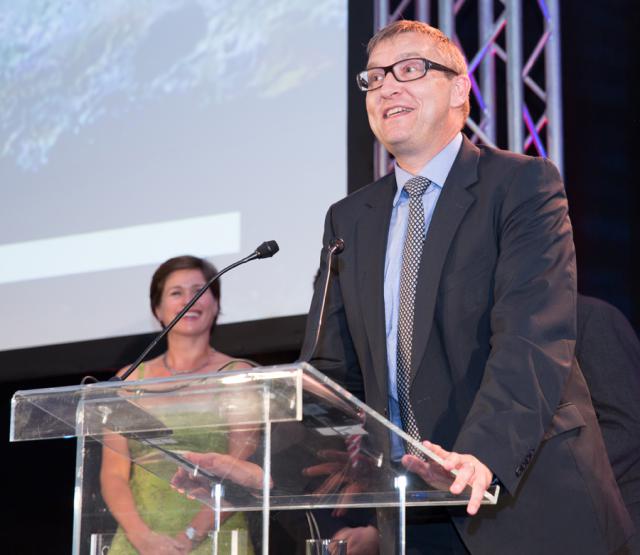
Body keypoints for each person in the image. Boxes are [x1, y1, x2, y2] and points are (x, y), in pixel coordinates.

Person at [301, 20, 633, 554]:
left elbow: (532, 336)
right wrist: (260, 467)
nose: (388, 86)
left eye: (409, 69)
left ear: (460, 89)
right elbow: (332, 372)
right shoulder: (349, 219)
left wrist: (481, 456)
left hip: (517, 499)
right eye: (375, 77)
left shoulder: (522, 184)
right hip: (410, 517)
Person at [100, 255, 255, 554]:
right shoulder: (129, 380)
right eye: (176, 292)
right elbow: (114, 475)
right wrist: (143, 539)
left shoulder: (239, 376)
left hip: (216, 538)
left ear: (217, 304)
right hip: (138, 542)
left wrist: (189, 537)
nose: (189, 300)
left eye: (199, 290)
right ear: (157, 310)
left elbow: (239, 472)